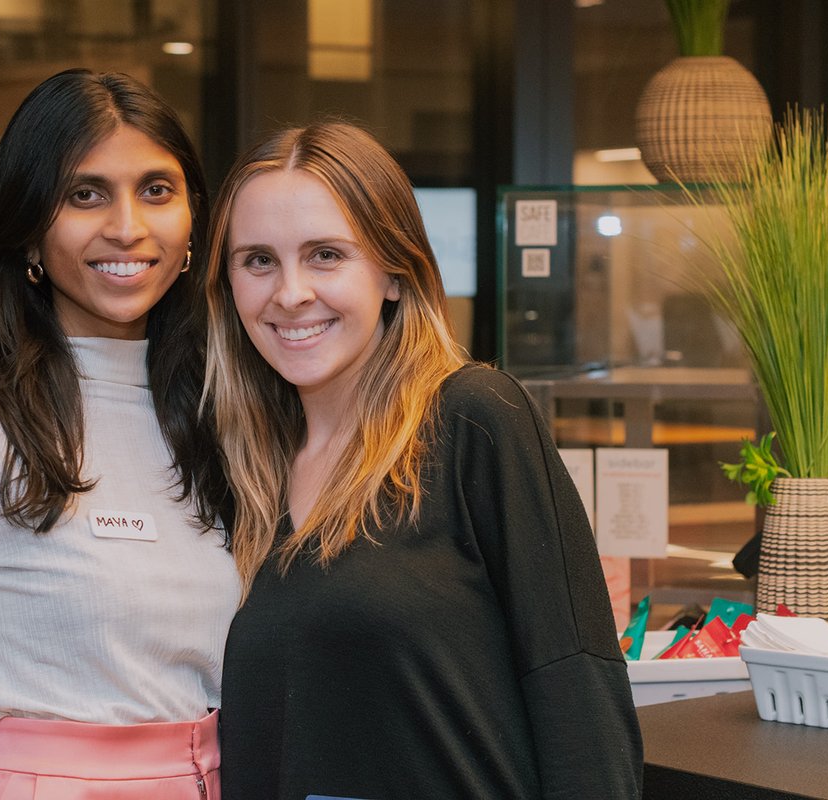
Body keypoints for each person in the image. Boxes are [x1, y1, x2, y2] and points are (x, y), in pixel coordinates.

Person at [203, 122, 643, 799]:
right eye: (258, 260)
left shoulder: (474, 419)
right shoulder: (240, 472)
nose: (290, 293)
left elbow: (576, 686)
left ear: (395, 273)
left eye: (326, 255)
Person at [0, 69, 238, 800]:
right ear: (29, 231)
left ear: (194, 222)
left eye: (157, 190)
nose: (127, 227)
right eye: (85, 194)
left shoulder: (226, 414)